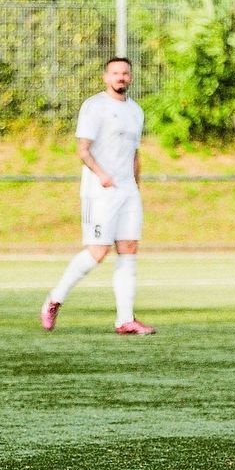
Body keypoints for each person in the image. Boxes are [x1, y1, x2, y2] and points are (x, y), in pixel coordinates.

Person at [40, 57, 156, 335]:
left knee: (128, 249)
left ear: (131, 77)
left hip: (128, 192)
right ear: (106, 77)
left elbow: (135, 153)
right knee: (98, 252)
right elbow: (83, 149)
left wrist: (135, 187)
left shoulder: (136, 111)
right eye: (115, 73)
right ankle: (54, 299)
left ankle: (125, 319)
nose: (121, 77)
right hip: (100, 191)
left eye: (125, 73)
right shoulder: (95, 107)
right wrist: (102, 174)